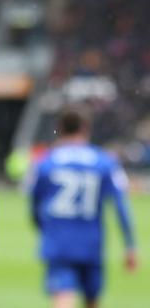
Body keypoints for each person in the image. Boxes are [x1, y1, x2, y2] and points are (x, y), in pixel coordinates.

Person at [29, 109, 138, 308]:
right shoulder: (104, 162)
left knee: (63, 297)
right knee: (92, 300)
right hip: (91, 242)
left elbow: (34, 203)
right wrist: (130, 245)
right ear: (86, 128)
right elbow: (120, 205)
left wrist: (42, 227)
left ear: (60, 129)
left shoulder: (46, 162)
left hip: (59, 241)